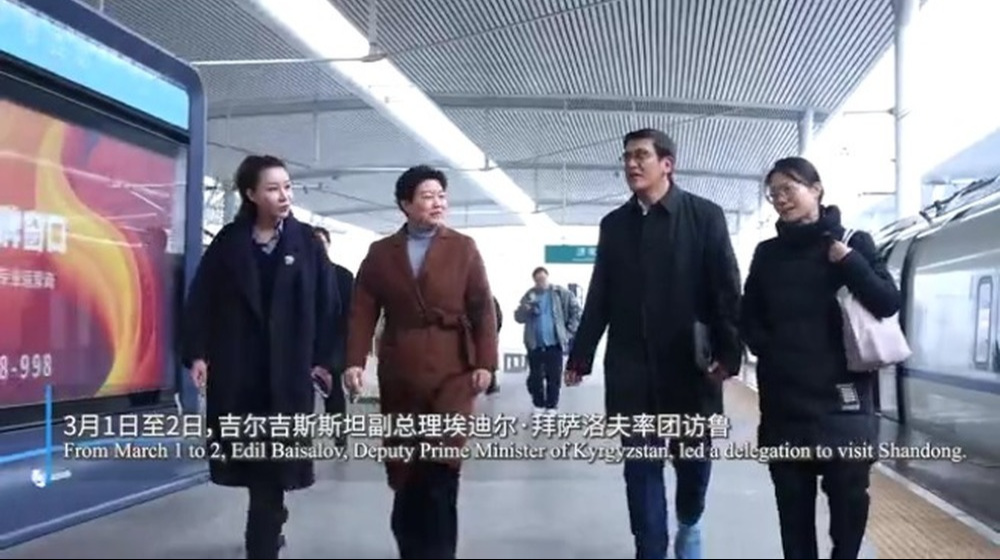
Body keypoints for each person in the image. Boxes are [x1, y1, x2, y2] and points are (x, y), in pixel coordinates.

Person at [564, 128, 743, 560]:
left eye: (641, 155)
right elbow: (601, 293)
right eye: (626, 157)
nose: (631, 164)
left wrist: (729, 353)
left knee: (693, 464)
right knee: (640, 468)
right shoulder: (615, 225)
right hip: (631, 368)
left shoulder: (705, 216)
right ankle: (651, 551)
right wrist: (581, 354)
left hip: (691, 366)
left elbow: (726, 289)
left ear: (667, 164)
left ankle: (690, 520)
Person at [740, 157, 901, 559]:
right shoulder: (767, 253)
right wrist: (768, 347)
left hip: (844, 399)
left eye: (788, 189)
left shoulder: (853, 242)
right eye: (773, 194)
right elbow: (748, 314)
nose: (780, 199)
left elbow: (887, 302)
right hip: (784, 403)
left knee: (849, 503)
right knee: (792, 512)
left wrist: (848, 261)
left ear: (816, 189)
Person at [180, 155, 339, 560]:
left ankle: (263, 542)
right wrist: (196, 353)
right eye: (273, 188)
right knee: (256, 466)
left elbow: (328, 305)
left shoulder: (307, 243)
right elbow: (201, 300)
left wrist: (323, 361)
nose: (284, 195)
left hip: (289, 372)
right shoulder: (229, 243)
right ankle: (270, 521)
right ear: (250, 194)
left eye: (287, 186)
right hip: (239, 371)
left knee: (272, 470)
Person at [342, 164, 498, 559]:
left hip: (454, 369)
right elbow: (362, 309)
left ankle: (441, 551)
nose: (438, 203)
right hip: (401, 369)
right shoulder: (381, 253)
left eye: (442, 196)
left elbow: (482, 307)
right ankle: (411, 547)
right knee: (405, 469)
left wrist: (486, 362)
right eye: (427, 196)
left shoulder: (463, 248)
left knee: (442, 467)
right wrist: (354, 361)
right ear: (405, 204)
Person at [514, 266, 581, 413]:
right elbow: (518, 318)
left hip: (554, 344)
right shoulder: (529, 295)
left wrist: (568, 332)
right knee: (535, 377)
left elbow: (576, 312)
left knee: (554, 377)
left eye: (543, 279)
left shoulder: (560, 293)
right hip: (534, 344)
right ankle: (538, 404)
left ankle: (551, 406)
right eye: (538, 281)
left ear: (548, 277)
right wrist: (525, 310)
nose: (541, 283)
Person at [313, 225, 355, 446]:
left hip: (333, 342)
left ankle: (339, 435)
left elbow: (350, 314)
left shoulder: (343, 276)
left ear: (328, 245)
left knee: (333, 390)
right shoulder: (297, 274)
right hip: (304, 343)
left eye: (321, 243)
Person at [485, 296, 503, 395]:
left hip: (489, 333)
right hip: (490, 333)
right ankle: (491, 384)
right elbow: (499, 318)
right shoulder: (492, 299)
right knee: (490, 357)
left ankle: (491, 383)